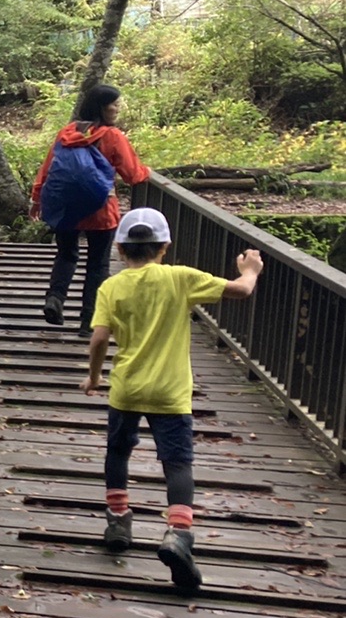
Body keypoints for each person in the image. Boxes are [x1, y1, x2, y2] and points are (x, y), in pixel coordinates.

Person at [81, 207, 262, 589]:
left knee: (118, 452)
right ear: (164, 247)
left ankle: (118, 521)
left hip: (127, 387)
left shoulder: (111, 287)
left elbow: (98, 339)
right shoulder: (180, 278)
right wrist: (250, 270)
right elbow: (242, 290)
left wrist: (95, 378)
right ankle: (178, 533)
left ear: (118, 249)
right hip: (170, 392)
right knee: (177, 463)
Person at [30, 84, 150, 335]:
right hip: (101, 211)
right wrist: (146, 172)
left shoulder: (67, 132)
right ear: (101, 107)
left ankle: (55, 298)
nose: (117, 108)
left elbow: (48, 168)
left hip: (66, 209)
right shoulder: (112, 137)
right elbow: (132, 175)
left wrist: (37, 199)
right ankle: (88, 322)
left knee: (66, 254)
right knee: (97, 264)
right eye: (113, 104)